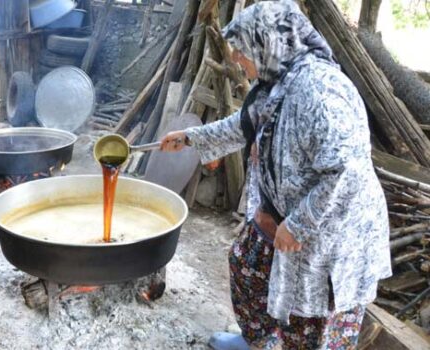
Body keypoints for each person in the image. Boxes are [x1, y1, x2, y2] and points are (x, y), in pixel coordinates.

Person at [160, 1, 390, 349]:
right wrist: (191, 137)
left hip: (330, 231)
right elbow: (246, 124)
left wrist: (300, 224)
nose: (236, 58)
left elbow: (348, 172)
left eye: (242, 48)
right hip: (280, 214)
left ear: (270, 44)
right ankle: (257, 341)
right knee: (246, 266)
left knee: (312, 323)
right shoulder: (279, 81)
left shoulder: (320, 91)